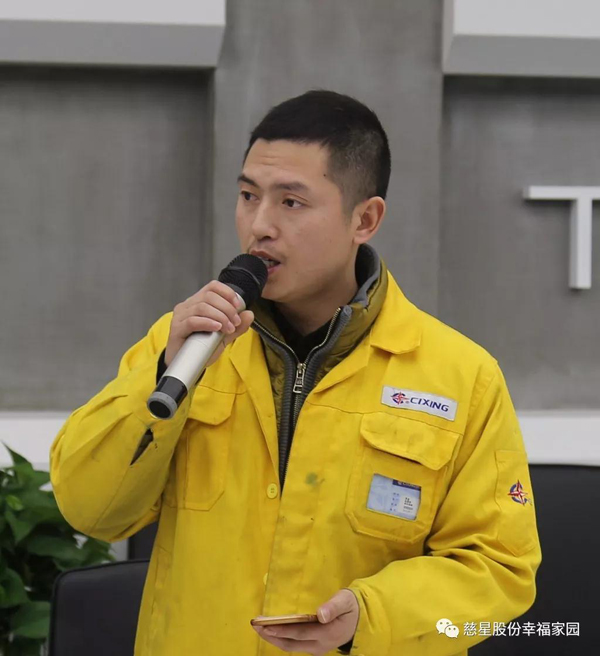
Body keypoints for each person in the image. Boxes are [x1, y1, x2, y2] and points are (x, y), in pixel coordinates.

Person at [50, 89, 541, 656]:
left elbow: (498, 570)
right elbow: (90, 508)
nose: (259, 225)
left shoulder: (460, 375)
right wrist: (161, 372)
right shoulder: (186, 344)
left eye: (291, 202)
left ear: (365, 219)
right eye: (247, 195)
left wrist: (372, 616)